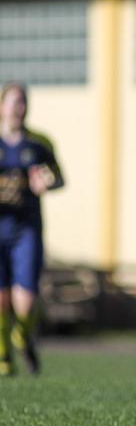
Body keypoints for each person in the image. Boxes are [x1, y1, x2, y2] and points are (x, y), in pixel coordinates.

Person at [0, 83, 65, 376]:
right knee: (1, 299)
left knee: (26, 300)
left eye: (22, 102)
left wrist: (47, 183)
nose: (17, 108)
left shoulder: (39, 144)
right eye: (12, 102)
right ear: (2, 107)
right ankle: (4, 358)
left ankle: (22, 337)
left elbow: (59, 177)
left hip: (26, 229)